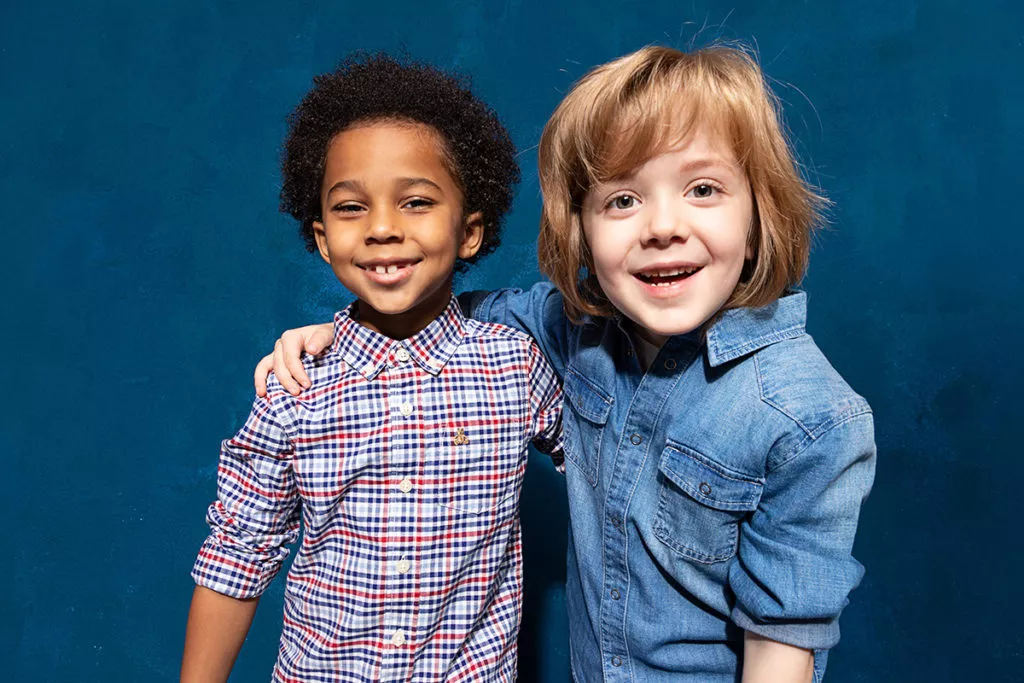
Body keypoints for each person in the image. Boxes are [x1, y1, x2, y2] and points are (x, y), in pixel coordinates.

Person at [256, 45, 875, 683]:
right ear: (580, 228)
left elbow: (782, 646)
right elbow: (436, 304)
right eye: (622, 201)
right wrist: (351, 331)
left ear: (759, 212)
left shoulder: (811, 417)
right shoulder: (571, 329)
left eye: (703, 189)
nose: (663, 226)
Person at [182, 53, 563, 683]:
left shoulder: (515, 366)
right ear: (324, 237)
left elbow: (611, 460)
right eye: (351, 208)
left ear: (469, 232)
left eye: (416, 202)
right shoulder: (295, 387)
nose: (383, 229)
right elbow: (237, 556)